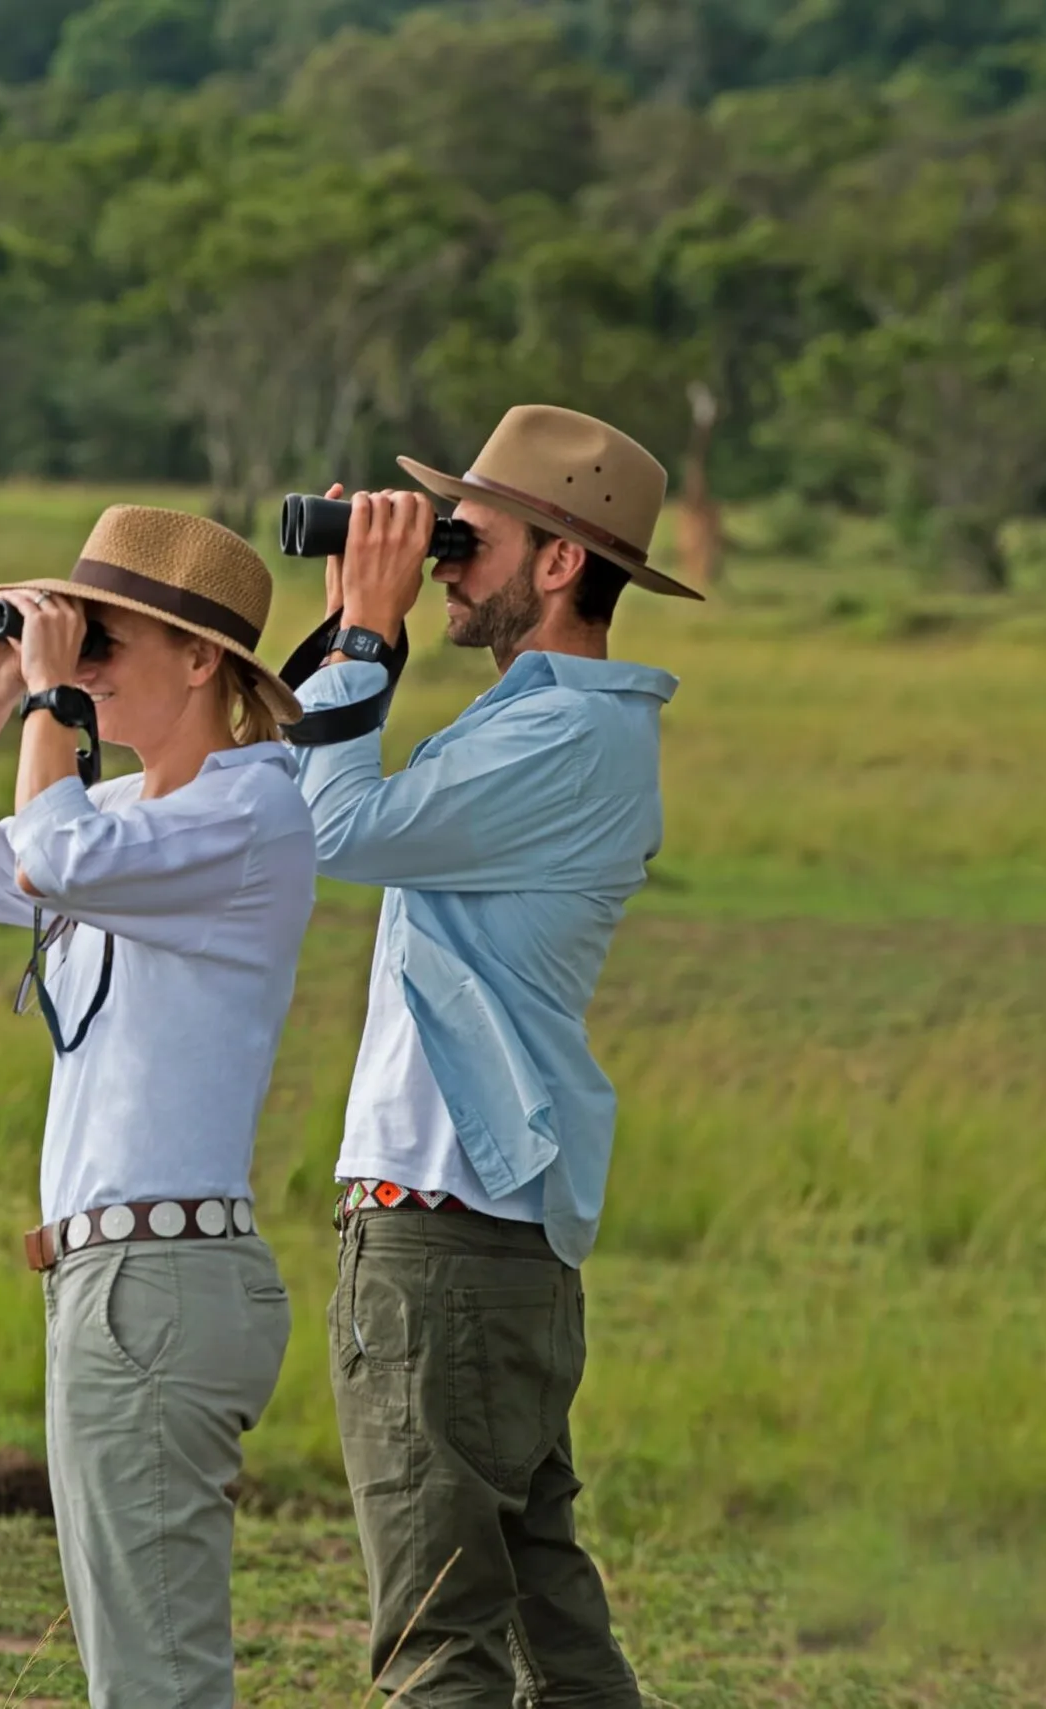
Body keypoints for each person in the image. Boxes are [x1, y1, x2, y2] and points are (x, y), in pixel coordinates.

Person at [286, 407, 702, 1706]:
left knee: (439, 1637)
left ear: (564, 562)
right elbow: (304, 773)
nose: (448, 557)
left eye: (471, 535)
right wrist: (347, 620)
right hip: (489, 1233)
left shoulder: (560, 736)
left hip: (446, 1229)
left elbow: (331, 828)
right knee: (543, 1615)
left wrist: (370, 632)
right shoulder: (543, 723)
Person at [0, 505, 316, 1708]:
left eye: (104, 646)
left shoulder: (248, 813)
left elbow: (51, 863)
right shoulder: (119, 816)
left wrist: (49, 708)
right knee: (133, 1667)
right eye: (78, 646)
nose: (80, 671)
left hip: (162, 1280)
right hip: (112, 1280)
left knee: (157, 1678)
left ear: (201, 660)